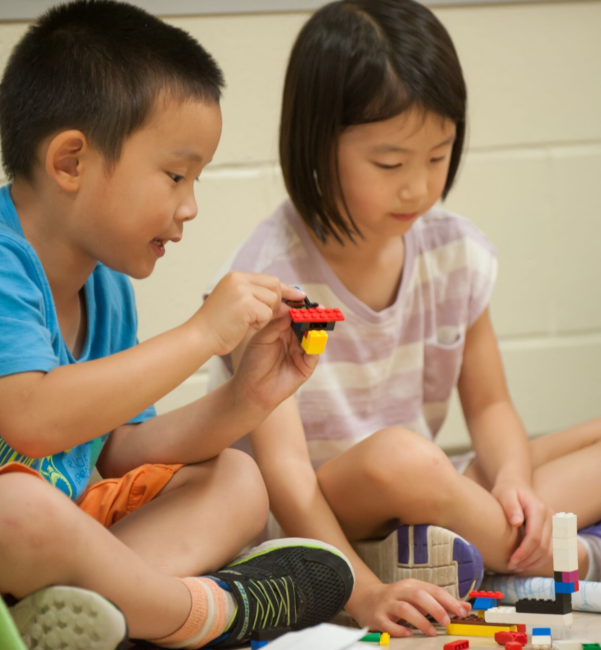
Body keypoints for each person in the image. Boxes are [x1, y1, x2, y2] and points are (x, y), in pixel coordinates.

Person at [0, 2, 355, 648]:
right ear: (71, 162)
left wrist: (245, 398)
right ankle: (201, 613)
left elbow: (120, 450)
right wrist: (201, 334)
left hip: (60, 547)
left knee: (238, 478)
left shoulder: (104, 283)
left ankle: (77, 619)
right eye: (175, 175)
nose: (190, 207)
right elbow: (32, 417)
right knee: (20, 506)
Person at [207, 0, 601, 637]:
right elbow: (285, 474)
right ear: (317, 142)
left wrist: (511, 481)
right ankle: (553, 555)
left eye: (438, 156)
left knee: (542, 449)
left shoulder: (454, 250)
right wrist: (361, 595)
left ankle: (488, 539)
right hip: (317, 511)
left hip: (433, 489)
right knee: (406, 458)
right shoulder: (269, 278)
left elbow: (493, 406)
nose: (418, 188)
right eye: (390, 164)